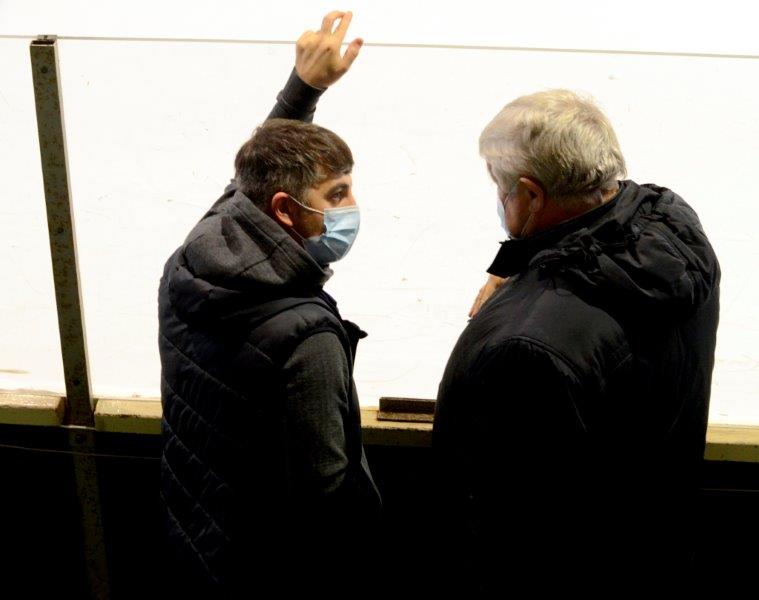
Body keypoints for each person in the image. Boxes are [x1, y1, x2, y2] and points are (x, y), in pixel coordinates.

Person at [434, 89, 720, 592]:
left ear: (532, 196)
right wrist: (527, 262)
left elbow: (514, 531)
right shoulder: (670, 229)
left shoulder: (527, 348)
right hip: (654, 550)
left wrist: (531, 291)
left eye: (500, 185)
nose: (498, 198)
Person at [158, 11, 380, 596]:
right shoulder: (306, 336)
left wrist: (303, 89)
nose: (352, 205)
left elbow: (248, 180)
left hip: (200, 540)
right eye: (337, 194)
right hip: (273, 578)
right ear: (283, 210)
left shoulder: (191, 260)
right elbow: (327, 495)